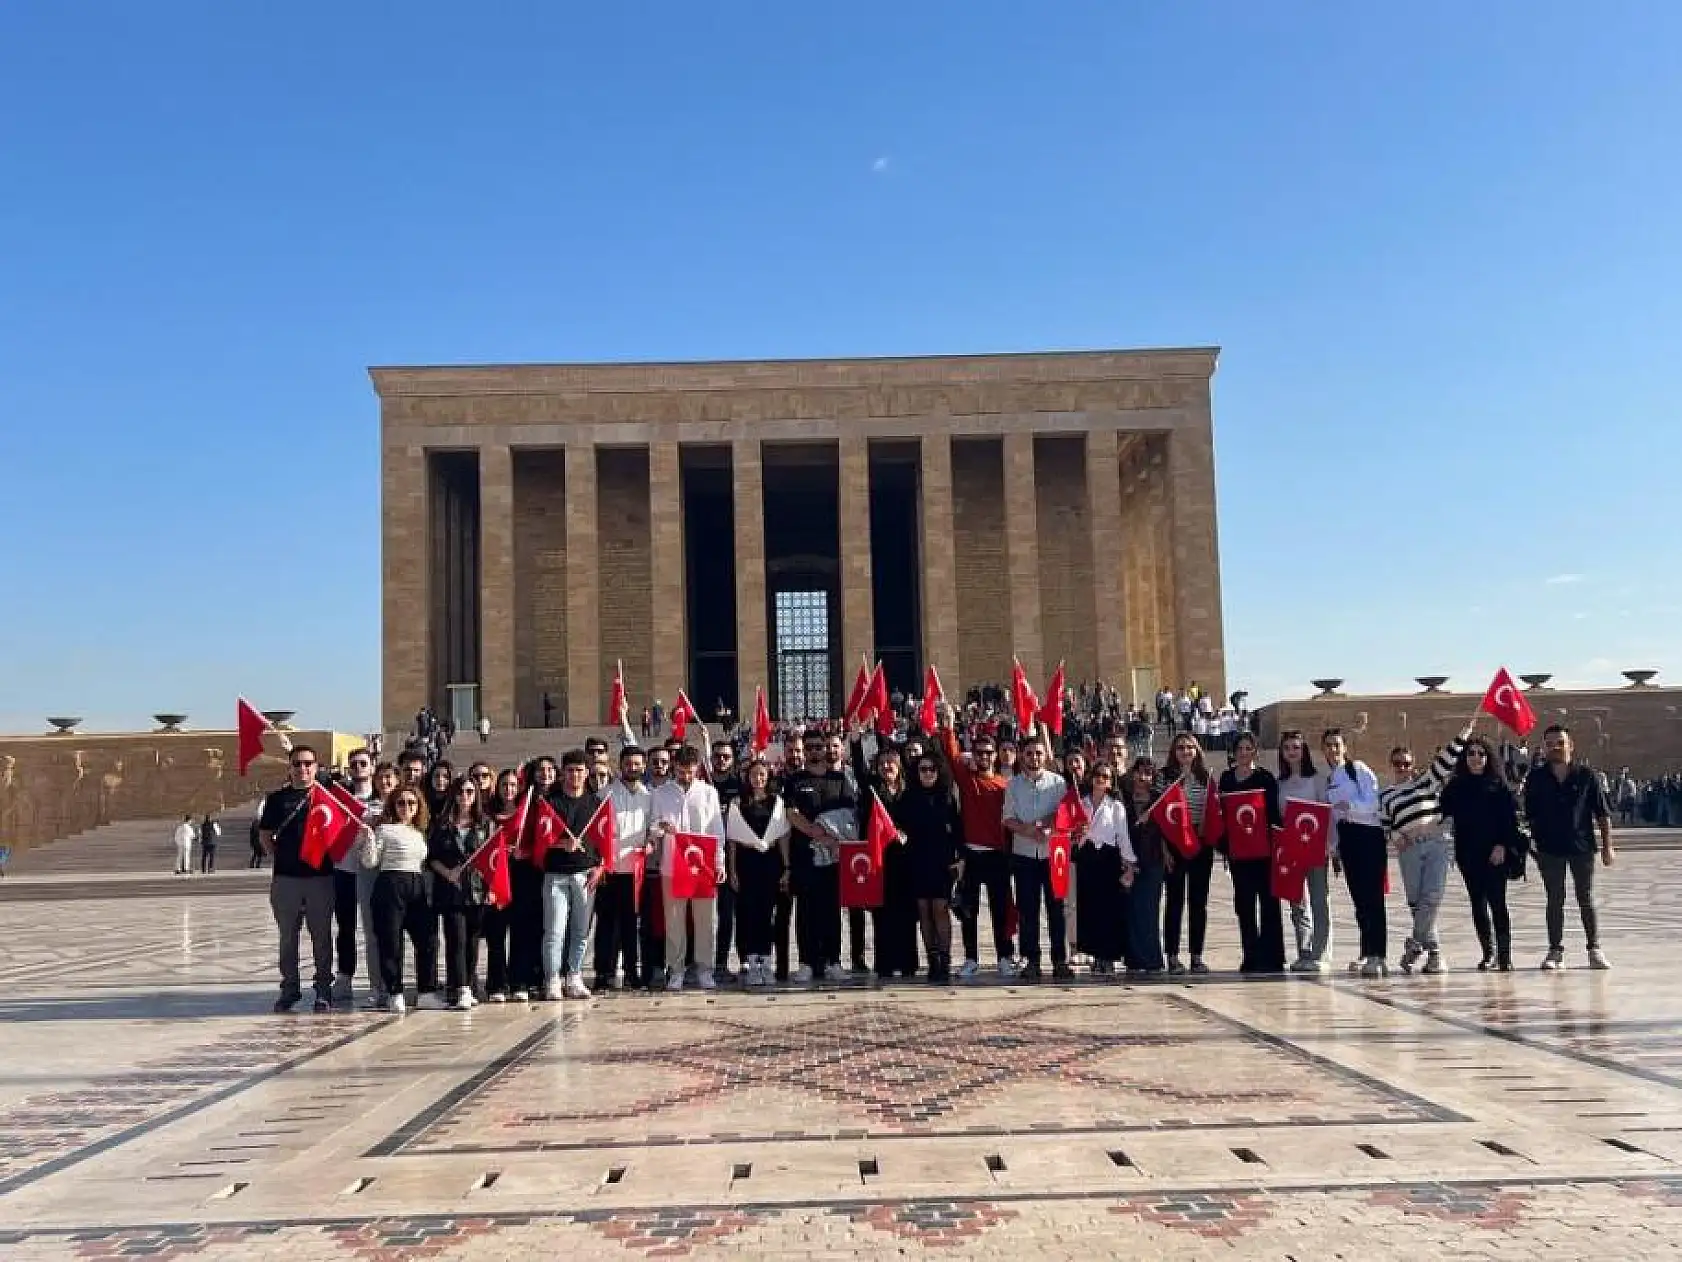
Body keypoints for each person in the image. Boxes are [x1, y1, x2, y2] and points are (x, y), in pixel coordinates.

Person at [1523, 725, 1615, 970]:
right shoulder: (1536, 778)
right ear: (1544, 748)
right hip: (1549, 848)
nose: (1555, 747)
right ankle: (1555, 951)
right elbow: (1529, 815)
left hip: (1581, 846)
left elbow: (1602, 814)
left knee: (1586, 898)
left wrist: (1608, 847)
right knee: (1555, 899)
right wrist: (1532, 845)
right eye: (1550, 744)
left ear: (1570, 746)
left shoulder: (1586, 775)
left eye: (1560, 743)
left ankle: (1594, 949)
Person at [1378, 725, 1469, 975]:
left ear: (1413, 765)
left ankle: (1415, 945)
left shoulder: (1426, 782)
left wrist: (1463, 733)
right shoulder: (1385, 796)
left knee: (1432, 897)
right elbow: (1384, 825)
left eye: (1406, 763)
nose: (1402, 768)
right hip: (1409, 850)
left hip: (1435, 845)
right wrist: (1396, 836)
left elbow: (1446, 760)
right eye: (1397, 763)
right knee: (1417, 903)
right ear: (1391, 765)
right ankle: (1434, 954)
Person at [257, 745, 337, 1013]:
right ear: (289, 768)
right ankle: (289, 988)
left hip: (320, 877)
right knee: (288, 937)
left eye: (308, 763)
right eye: (297, 764)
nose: (302, 768)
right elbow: (265, 835)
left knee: (321, 937)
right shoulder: (277, 800)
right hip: (287, 879)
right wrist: (281, 857)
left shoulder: (328, 797)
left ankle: (323, 988)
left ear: (316, 767)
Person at [938, 707, 1015, 980]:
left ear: (995, 756)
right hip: (971, 855)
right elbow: (951, 753)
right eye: (979, 752)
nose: (983, 757)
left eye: (988, 753)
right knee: (969, 910)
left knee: (1000, 909)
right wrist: (949, 725)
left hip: (997, 856)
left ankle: (1005, 957)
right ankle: (971, 959)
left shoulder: (1006, 786)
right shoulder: (967, 780)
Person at [1440, 736, 1525, 971]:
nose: (1476, 758)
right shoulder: (1456, 787)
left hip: (1495, 853)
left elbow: (1509, 821)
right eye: (1471, 753)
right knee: (1478, 903)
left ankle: (1505, 955)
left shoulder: (1498, 786)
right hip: (1468, 854)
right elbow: (1442, 812)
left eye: (1481, 754)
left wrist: (1502, 845)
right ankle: (1488, 952)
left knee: (1498, 902)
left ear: (1488, 758)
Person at [651, 745, 726, 991]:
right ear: (674, 767)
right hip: (672, 866)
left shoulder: (709, 793)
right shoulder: (660, 793)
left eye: (690, 772)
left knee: (706, 920)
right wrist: (661, 827)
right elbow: (652, 827)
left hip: (702, 865)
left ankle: (705, 969)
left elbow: (717, 830)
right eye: (682, 772)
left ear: (697, 769)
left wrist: (719, 862)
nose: (686, 777)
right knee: (674, 921)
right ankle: (676, 970)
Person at [1002, 734, 1070, 981]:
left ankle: (1060, 960)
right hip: (1025, 854)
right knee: (1028, 910)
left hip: (1054, 853)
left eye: (1039, 753)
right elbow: (1008, 818)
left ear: (1045, 755)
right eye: (1029, 753)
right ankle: (1031, 960)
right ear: (1022, 755)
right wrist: (1027, 830)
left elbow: (1063, 812)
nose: (1034, 758)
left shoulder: (1058, 783)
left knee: (1057, 910)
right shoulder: (1013, 785)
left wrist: (1045, 826)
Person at [360, 786, 433, 1014]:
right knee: (391, 942)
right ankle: (395, 992)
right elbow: (370, 862)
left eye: (412, 803)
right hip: (390, 885)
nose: (406, 807)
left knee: (427, 940)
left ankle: (426, 992)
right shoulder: (384, 830)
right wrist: (369, 839)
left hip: (416, 885)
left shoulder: (419, 832)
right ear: (393, 805)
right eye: (401, 803)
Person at [852, 732, 919, 979]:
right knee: (882, 914)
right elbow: (859, 771)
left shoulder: (910, 790)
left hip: (906, 859)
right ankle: (885, 963)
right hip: (880, 860)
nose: (887, 767)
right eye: (882, 763)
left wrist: (906, 832)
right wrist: (856, 741)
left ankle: (908, 963)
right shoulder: (873, 789)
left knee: (907, 915)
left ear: (899, 766)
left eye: (891, 762)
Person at [1218, 733, 1285, 973]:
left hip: (1264, 852)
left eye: (1248, 748)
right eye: (1240, 748)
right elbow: (1222, 815)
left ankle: (1272, 957)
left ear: (1255, 751)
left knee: (1269, 903)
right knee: (1244, 905)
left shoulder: (1265, 778)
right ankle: (1251, 955)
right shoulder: (1227, 779)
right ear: (1234, 752)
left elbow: (1274, 815)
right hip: (1239, 854)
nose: (1244, 753)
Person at [542, 750, 606, 1000]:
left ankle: (574, 976)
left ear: (587, 772)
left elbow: (604, 839)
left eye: (580, 770)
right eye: (570, 770)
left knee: (581, 931)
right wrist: (562, 844)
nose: (575, 775)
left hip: (585, 874)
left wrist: (601, 867)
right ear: (563, 773)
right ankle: (552, 979)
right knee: (555, 931)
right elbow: (540, 839)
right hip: (556, 875)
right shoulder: (550, 803)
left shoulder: (596, 803)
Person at [896, 751, 964, 983]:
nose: (927, 773)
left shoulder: (947, 796)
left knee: (940, 908)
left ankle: (945, 958)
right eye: (923, 769)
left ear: (938, 771)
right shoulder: (908, 797)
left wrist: (960, 858)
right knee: (923, 909)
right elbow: (899, 825)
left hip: (942, 860)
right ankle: (932, 958)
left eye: (931, 769)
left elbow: (958, 829)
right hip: (917, 859)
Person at [1323, 728, 1386, 977]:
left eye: (1336, 745)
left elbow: (1374, 802)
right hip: (1347, 839)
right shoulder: (1330, 779)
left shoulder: (1357, 769)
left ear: (1345, 747)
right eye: (1328, 745)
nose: (1332, 750)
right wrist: (1334, 848)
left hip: (1368, 835)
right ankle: (1366, 952)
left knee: (1373, 898)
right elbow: (1332, 817)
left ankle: (1378, 954)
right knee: (1359, 899)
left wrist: (1350, 806)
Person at [427, 775, 492, 1009]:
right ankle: (461, 988)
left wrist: (492, 888)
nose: (465, 796)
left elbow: (493, 858)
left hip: (476, 891)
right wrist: (447, 873)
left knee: (472, 942)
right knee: (457, 939)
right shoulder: (442, 824)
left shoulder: (485, 824)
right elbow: (432, 857)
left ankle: (467, 985)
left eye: (469, 792)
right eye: (461, 792)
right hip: (451, 890)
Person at [725, 758, 790, 987]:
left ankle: (766, 961)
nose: (758, 779)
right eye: (754, 774)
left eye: (762, 774)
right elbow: (732, 840)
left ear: (768, 777)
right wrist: (732, 870)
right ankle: (752, 962)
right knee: (749, 914)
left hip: (770, 863)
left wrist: (786, 867)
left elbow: (782, 836)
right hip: (747, 862)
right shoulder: (739, 803)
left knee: (767, 914)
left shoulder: (777, 802)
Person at [595, 746, 652, 992]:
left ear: (644, 766)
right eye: (628, 763)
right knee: (606, 924)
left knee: (631, 923)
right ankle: (603, 973)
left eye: (637, 764)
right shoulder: (604, 794)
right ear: (620, 765)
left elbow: (652, 828)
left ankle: (631, 971)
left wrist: (651, 841)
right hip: (609, 869)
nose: (632, 768)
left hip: (634, 870)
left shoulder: (648, 797)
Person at [1277, 732, 1333, 972]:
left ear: (1304, 751)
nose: (1292, 752)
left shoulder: (1317, 780)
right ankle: (1304, 951)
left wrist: (1329, 844)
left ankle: (1320, 952)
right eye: (1287, 748)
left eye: (1296, 747)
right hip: (1292, 848)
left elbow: (1326, 813)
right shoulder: (1280, 783)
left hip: (1315, 847)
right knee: (1297, 902)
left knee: (1319, 900)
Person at [1161, 734, 1214, 974]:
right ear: (1174, 752)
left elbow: (1213, 809)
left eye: (1189, 747)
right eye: (1180, 747)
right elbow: (1160, 815)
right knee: (1174, 900)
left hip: (1200, 842)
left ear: (1196, 750)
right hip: (1175, 843)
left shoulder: (1206, 778)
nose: (1185, 751)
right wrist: (1165, 850)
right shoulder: (1165, 777)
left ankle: (1196, 955)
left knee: (1198, 901)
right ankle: (1172, 956)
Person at [1075, 763, 1135, 975]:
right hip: (1087, 858)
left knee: (1109, 910)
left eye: (1105, 776)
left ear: (1111, 782)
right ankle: (1094, 954)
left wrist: (1129, 863)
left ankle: (1108, 957)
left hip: (1108, 860)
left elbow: (1123, 836)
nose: (1101, 779)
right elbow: (1071, 832)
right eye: (1097, 775)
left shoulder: (1116, 806)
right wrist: (1079, 835)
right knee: (1089, 908)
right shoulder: (1081, 803)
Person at [1122, 757, 1167, 974]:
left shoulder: (1159, 800)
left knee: (1149, 911)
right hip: (1129, 860)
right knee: (1131, 910)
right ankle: (1133, 959)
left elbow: (1167, 830)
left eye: (1148, 773)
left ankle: (1152, 959)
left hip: (1153, 860)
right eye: (1139, 772)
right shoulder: (1124, 799)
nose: (1143, 777)